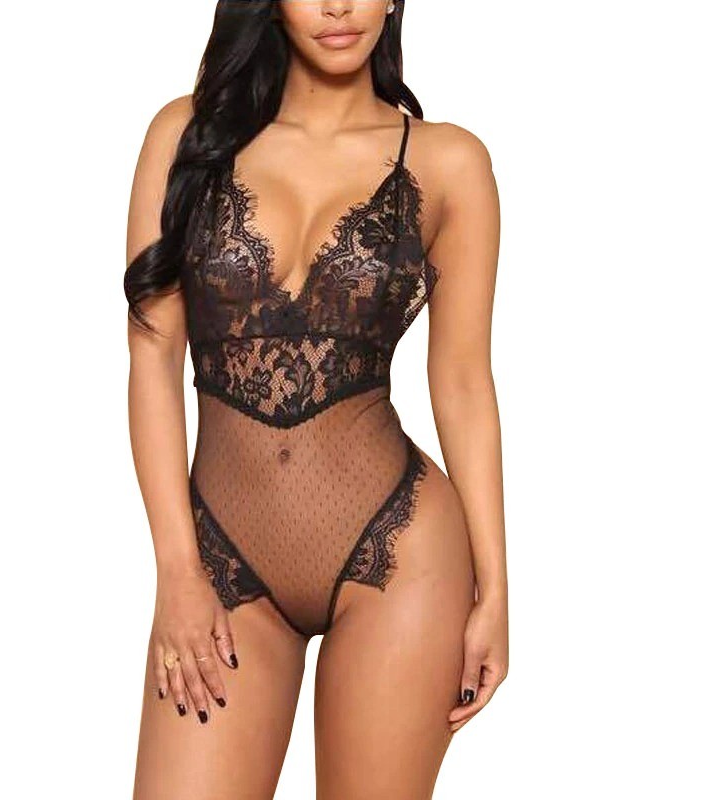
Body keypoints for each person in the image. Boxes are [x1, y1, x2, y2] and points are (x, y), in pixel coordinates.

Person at [124, 1, 507, 797]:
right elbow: (152, 356)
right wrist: (177, 572)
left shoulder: (450, 162)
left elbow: (464, 382)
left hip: (399, 552)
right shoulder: (187, 137)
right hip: (220, 558)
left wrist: (495, 590)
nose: (338, 5)